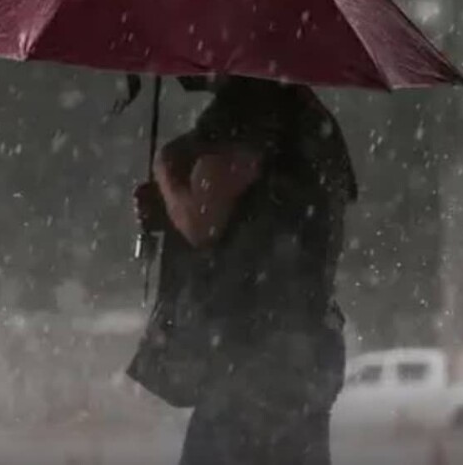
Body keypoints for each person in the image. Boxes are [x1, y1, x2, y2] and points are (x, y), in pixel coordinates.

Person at [132, 75, 357, 465]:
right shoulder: (307, 116)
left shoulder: (248, 111)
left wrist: (167, 173)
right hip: (303, 348)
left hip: (251, 356)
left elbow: (202, 221)